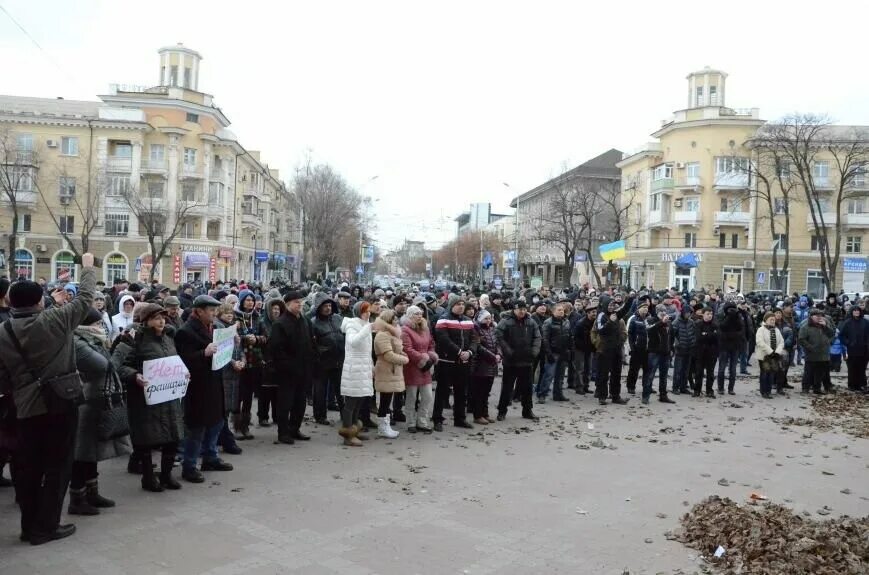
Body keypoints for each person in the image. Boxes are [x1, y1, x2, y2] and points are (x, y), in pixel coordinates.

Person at [0, 253, 96, 545]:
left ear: (10, 302)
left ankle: (29, 525)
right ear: (40, 301)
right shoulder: (56, 320)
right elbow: (85, 299)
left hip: (24, 406)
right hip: (60, 403)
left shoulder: (3, 331)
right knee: (57, 466)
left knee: (28, 466)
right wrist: (88, 267)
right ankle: (47, 526)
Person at [113, 304, 185, 492]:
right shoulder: (136, 338)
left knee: (173, 437)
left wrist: (182, 373)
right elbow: (121, 366)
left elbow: (175, 361)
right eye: (156, 318)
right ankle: (147, 477)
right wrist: (135, 375)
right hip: (145, 398)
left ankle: (167, 475)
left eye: (162, 317)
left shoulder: (168, 338)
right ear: (146, 321)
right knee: (146, 439)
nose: (161, 321)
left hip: (169, 397)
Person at [68, 308, 132, 516]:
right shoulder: (78, 342)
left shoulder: (92, 339)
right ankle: (77, 498)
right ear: (87, 324)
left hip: (98, 399)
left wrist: (117, 343)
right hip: (86, 401)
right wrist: (123, 347)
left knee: (92, 450)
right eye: (98, 323)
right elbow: (106, 367)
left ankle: (92, 492)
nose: (101, 327)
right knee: (82, 451)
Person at [175, 295, 234, 482]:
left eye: (215, 310)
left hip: (214, 382)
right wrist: (204, 353)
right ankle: (189, 466)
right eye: (211, 311)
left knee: (217, 421)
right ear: (199, 311)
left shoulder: (214, 328)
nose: (214, 314)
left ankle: (210, 457)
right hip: (197, 386)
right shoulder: (186, 331)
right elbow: (183, 360)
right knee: (197, 427)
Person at [269, 290, 316, 445]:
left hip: (304, 369)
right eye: (296, 302)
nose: (300, 304)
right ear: (288, 304)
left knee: (300, 402)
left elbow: (311, 341)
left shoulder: (304, 321)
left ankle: (295, 429)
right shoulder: (280, 323)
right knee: (285, 402)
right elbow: (276, 349)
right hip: (287, 372)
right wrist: (286, 366)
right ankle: (283, 432)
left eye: (301, 301)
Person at [433, 295, 477, 431]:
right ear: (452, 305)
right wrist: (459, 352)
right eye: (458, 304)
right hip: (447, 361)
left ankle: (460, 418)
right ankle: (437, 419)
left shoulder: (468, 321)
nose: (461, 306)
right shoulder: (443, 319)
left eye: (463, 304)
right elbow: (443, 339)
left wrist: (469, 352)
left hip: (464, 362)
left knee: (461, 392)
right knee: (442, 391)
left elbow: (475, 339)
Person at [495, 300, 541, 421]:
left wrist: (534, 352)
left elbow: (537, 337)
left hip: (526, 360)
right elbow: (499, 336)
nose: (522, 311)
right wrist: (508, 351)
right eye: (519, 309)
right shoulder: (505, 321)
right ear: (514, 310)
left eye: (524, 309)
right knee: (507, 388)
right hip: (511, 361)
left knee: (527, 388)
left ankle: (527, 410)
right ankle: (502, 411)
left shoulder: (531, 322)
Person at [338, 301, 375, 446]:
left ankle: (355, 429)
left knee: (359, 401)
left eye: (369, 310)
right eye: (365, 310)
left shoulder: (365, 325)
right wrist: (368, 328)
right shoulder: (352, 324)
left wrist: (371, 365)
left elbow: (367, 350)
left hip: (364, 367)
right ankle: (348, 433)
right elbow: (353, 341)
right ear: (359, 312)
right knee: (351, 403)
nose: (368, 313)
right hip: (354, 368)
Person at [234, 289, 266, 439]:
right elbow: (230, 335)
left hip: (254, 362)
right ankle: (236, 426)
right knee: (237, 396)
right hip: (239, 361)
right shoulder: (235, 317)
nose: (250, 302)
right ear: (241, 301)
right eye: (247, 300)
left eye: (252, 300)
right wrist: (242, 337)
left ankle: (245, 425)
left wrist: (257, 339)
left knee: (248, 396)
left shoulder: (258, 317)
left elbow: (266, 337)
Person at [400, 305, 437, 433]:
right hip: (412, 367)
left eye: (420, 313)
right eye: (416, 313)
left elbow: (431, 344)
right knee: (411, 397)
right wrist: (422, 358)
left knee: (427, 396)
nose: (419, 316)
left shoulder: (425, 329)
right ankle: (410, 422)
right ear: (409, 315)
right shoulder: (405, 330)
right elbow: (407, 349)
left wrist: (431, 355)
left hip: (426, 367)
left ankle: (422, 421)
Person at [310, 292, 345, 426]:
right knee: (320, 390)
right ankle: (320, 416)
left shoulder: (337, 318)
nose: (328, 308)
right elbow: (311, 344)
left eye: (329, 305)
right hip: (321, 362)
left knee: (341, 390)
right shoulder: (313, 323)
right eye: (325, 305)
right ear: (319, 307)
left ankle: (345, 414)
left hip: (339, 359)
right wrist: (319, 352)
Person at [373, 309, 408, 438]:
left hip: (393, 369)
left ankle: (385, 426)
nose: (396, 321)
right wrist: (404, 359)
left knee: (387, 399)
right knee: (384, 400)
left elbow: (397, 349)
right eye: (394, 319)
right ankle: (383, 427)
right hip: (386, 369)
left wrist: (402, 354)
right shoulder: (383, 334)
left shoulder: (393, 333)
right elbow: (388, 355)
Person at [594, 293, 634, 406]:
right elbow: (601, 330)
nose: (611, 307)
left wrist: (630, 299)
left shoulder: (615, 314)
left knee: (617, 373)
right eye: (609, 305)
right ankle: (602, 396)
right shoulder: (601, 315)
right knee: (604, 374)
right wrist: (610, 321)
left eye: (613, 305)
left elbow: (625, 309)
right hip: (605, 349)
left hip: (616, 348)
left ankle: (615, 396)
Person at [215, 304, 244, 455]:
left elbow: (240, 348)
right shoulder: (218, 328)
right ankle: (227, 440)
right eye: (225, 312)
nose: (229, 315)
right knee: (223, 409)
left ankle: (222, 438)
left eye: (230, 312)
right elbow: (222, 350)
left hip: (234, 373)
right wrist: (233, 362)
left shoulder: (233, 328)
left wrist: (242, 361)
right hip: (225, 372)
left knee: (227, 408)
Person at [257, 296, 285, 428]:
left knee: (277, 392)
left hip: (279, 362)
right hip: (266, 361)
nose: (276, 311)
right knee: (265, 392)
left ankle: (276, 416)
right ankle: (262, 416)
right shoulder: (262, 323)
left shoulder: (282, 323)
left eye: (278, 309)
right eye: (273, 309)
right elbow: (260, 342)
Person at [539, 302, 572, 402]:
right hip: (553, 352)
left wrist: (570, 350)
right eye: (559, 310)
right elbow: (545, 339)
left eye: (562, 310)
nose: (561, 312)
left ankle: (558, 394)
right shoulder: (548, 322)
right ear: (553, 311)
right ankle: (542, 394)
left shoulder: (566, 322)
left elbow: (569, 336)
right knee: (549, 375)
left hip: (563, 352)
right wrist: (548, 353)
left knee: (560, 376)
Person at [470, 309, 499, 424]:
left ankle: (485, 413)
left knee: (486, 391)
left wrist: (499, 354)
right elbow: (478, 346)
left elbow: (497, 343)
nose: (488, 320)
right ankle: (478, 415)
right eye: (486, 318)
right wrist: (493, 356)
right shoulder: (475, 329)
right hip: (480, 364)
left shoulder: (492, 329)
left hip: (491, 364)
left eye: (490, 318)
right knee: (479, 392)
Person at [643, 304, 675, 405]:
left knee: (664, 375)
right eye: (661, 311)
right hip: (654, 352)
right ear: (657, 312)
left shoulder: (668, 322)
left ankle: (663, 395)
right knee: (650, 375)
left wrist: (671, 348)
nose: (664, 313)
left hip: (665, 352)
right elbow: (649, 330)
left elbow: (671, 336)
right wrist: (661, 322)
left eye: (665, 311)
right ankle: (645, 396)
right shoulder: (651, 320)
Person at [798, 309, 836, 394]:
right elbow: (801, 339)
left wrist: (826, 327)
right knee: (808, 372)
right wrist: (810, 347)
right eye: (816, 316)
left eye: (820, 316)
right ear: (811, 316)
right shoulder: (806, 326)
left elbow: (832, 334)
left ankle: (817, 388)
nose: (819, 317)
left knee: (820, 373)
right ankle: (805, 388)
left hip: (823, 353)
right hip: (811, 353)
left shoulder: (824, 325)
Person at [838, 306, 869, 391]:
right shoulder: (847, 322)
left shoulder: (865, 322)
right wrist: (847, 342)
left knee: (862, 368)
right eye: (855, 311)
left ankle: (862, 385)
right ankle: (852, 385)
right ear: (852, 312)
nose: (856, 312)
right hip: (851, 349)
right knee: (852, 367)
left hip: (864, 349)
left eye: (858, 311)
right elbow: (841, 335)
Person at [755, 312, 785, 399]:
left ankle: (768, 391)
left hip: (774, 356)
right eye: (770, 319)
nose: (772, 321)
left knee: (771, 373)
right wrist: (770, 351)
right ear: (766, 320)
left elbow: (781, 342)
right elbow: (760, 342)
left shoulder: (776, 330)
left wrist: (777, 352)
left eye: (773, 320)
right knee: (764, 373)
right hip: (764, 356)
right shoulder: (761, 329)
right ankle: (763, 391)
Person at [693, 307, 720, 398]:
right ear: (703, 314)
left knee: (710, 373)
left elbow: (717, 338)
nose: (710, 316)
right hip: (700, 352)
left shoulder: (715, 325)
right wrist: (710, 335)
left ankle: (709, 390)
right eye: (708, 314)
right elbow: (699, 338)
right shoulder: (698, 324)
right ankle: (697, 390)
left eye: (711, 314)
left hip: (712, 353)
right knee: (699, 373)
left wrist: (706, 334)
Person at [717, 302, 743, 395]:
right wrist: (729, 317)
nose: (731, 311)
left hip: (735, 346)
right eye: (729, 309)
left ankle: (731, 389)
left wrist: (735, 316)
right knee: (722, 368)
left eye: (733, 309)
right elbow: (721, 328)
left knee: (733, 369)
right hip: (724, 346)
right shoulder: (722, 316)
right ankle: (720, 388)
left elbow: (741, 329)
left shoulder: (738, 317)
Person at [671, 305, 696, 395]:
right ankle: (675, 387)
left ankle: (683, 387)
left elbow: (694, 333)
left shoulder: (691, 322)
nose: (688, 315)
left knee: (686, 370)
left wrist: (693, 342)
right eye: (687, 313)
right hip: (680, 349)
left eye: (689, 313)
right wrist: (676, 344)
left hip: (689, 349)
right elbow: (672, 335)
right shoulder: (676, 322)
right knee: (678, 370)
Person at [626, 301, 649, 395]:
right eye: (643, 308)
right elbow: (629, 334)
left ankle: (646, 386)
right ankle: (631, 386)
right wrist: (631, 348)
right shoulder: (633, 319)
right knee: (634, 369)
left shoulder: (649, 319)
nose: (645, 310)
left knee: (647, 370)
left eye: (647, 308)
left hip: (647, 349)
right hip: (636, 349)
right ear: (638, 309)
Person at [572, 305, 596, 395]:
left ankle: (586, 386)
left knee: (588, 369)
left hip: (589, 350)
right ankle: (579, 387)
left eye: (595, 312)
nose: (595, 314)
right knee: (580, 369)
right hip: (580, 349)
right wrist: (582, 347)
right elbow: (575, 338)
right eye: (593, 312)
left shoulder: (595, 323)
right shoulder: (580, 323)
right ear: (588, 313)